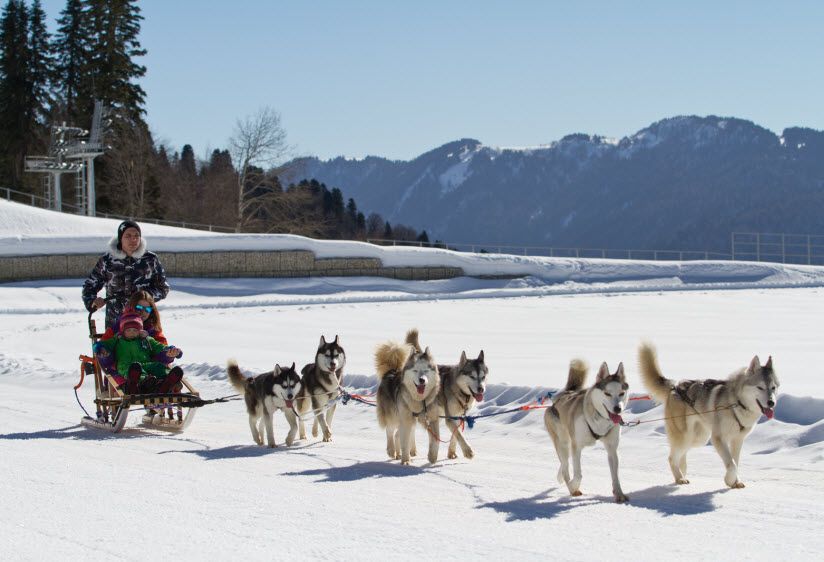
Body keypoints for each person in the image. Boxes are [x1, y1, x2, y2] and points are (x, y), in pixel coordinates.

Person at [82, 220, 170, 330]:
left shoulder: (150, 259)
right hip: (115, 323)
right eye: (128, 236)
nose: (133, 239)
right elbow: (89, 286)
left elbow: (163, 288)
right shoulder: (107, 260)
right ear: (120, 238)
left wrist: (144, 298)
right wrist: (92, 301)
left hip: (144, 323)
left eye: (136, 236)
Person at [94, 311, 183, 395]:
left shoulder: (146, 340)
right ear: (122, 331)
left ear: (140, 330)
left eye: (135, 330)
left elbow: (159, 347)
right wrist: (101, 349)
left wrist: (171, 350)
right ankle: (138, 383)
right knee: (136, 371)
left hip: (145, 364)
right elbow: (104, 344)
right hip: (126, 366)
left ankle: (167, 382)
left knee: (158, 366)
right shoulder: (117, 339)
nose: (132, 333)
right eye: (128, 330)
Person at [99, 290, 168, 345]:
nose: (143, 312)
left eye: (147, 309)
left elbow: (163, 348)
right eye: (139, 308)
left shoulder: (153, 329)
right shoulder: (120, 325)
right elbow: (103, 344)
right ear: (131, 307)